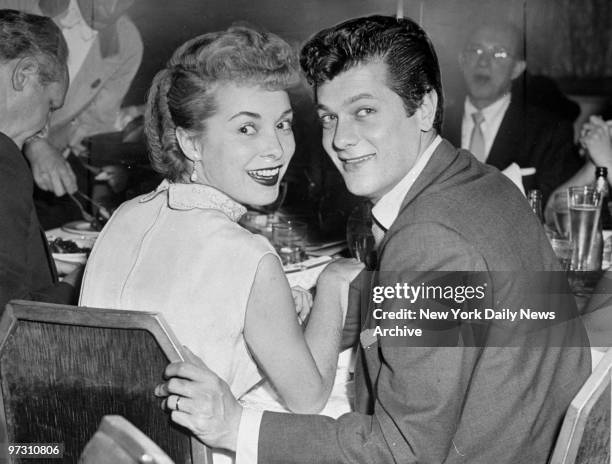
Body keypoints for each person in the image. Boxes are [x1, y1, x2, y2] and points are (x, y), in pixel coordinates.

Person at [153, 15, 591, 464]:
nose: (341, 139)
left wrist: (235, 425)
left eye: (364, 111)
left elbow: (400, 453)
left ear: (423, 106)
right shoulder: (484, 184)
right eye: (329, 118)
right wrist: (314, 309)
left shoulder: (430, 239)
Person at [79, 26, 360, 462]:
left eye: (282, 124)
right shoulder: (249, 256)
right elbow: (308, 398)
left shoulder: (124, 216)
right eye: (247, 128)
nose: (276, 149)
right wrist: (334, 287)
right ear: (190, 141)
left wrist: (276, 307)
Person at [0, 0, 143, 228]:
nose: (113, 8)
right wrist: (35, 143)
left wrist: (102, 166)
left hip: (54, 154)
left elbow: (94, 121)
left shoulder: (127, 43)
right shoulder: (22, 4)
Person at [443, 21, 579, 205]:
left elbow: (556, 210)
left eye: (499, 53)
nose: (483, 62)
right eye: (476, 50)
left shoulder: (549, 132)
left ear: (517, 69)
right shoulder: (433, 124)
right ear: (462, 60)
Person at [0, 9, 81, 311]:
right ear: (24, 74)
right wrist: (77, 285)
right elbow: (10, 321)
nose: (45, 129)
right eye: (50, 106)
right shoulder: (4, 162)